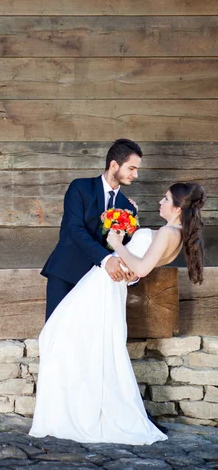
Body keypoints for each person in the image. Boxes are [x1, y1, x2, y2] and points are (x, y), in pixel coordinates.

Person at [29, 182, 206, 446]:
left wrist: (116, 243)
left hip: (103, 285)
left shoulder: (170, 233)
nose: (160, 201)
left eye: (165, 198)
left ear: (178, 208)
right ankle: (69, 408)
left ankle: (72, 413)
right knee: (69, 339)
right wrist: (127, 225)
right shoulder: (173, 233)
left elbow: (141, 268)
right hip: (108, 285)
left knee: (58, 335)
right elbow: (134, 271)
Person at [42, 138, 143, 321]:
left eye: (136, 170)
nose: (135, 175)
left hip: (99, 284)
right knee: (56, 336)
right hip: (67, 273)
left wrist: (133, 273)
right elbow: (74, 229)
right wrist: (106, 260)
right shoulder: (80, 188)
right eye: (131, 168)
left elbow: (125, 246)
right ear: (114, 165)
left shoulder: (128, 207)